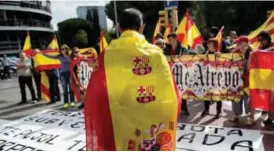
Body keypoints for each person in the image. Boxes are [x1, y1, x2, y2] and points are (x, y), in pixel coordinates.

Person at [84, 8, 179, 151]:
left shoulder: (107, 54)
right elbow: (170, 91)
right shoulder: (156, 54)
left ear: (119, 27)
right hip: (150, 113)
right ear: (142, 27)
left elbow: (96, 91)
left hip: (120, 116)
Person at [164, 33, 189, 116]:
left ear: (175, 39)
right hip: (171, 73)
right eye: (168, 40)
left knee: (182, 90)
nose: (169, 41)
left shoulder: (183, 49)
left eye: (170, 39)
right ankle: (174, 108)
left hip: (181, 73)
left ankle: (184, 108)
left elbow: (187, 57)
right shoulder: (166, 49)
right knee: (172, 91)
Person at [229, 36, 252, 123]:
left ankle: (250, 115)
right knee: (236, 97)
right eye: (241, 45)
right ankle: (236, 115)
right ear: (237, 45)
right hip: (236, 80)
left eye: (245, 45)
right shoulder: (233, 53)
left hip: (247, 81)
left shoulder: (251, 53)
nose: (243, 47)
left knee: (248, 99)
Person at [201, 38, 223, 119]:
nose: (208, 45)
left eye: (210, 43)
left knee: (217, 94)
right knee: (206, 94)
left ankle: (219, 111)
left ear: (215, 45)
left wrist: (220, 56)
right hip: (207, 77)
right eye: (208, 43)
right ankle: (206, 109)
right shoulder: (205, 53)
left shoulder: (219, 54)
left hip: (217, 77)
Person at [257, 31, 274, 125]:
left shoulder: (272, 46)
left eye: (262, 40)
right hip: (264, 77)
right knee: (267, 98)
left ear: (267, 39)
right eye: (259, 40)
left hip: (272, 76)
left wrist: (263, 52)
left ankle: (271, 117)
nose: (261, 42)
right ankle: (269, 115)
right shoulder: (260, 48)